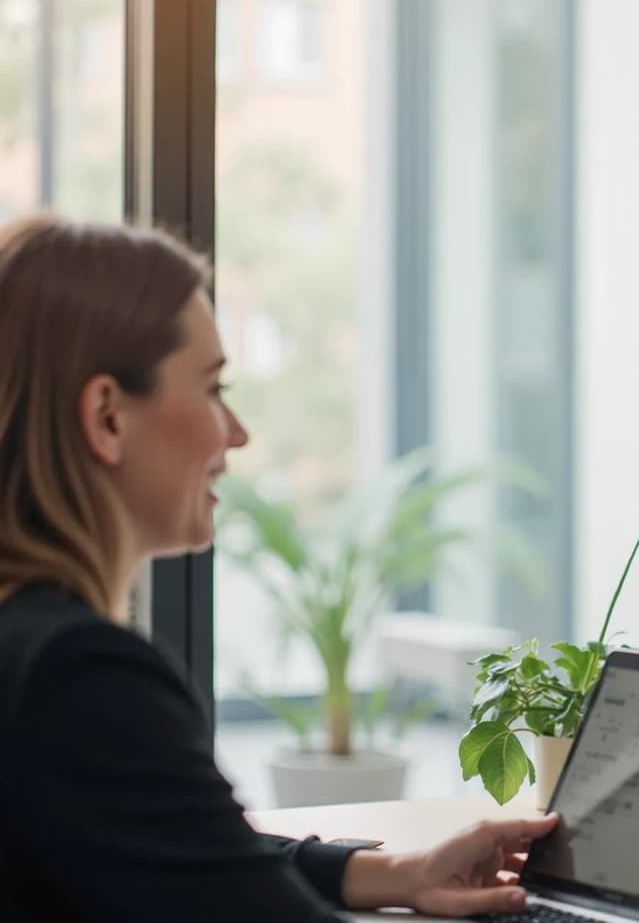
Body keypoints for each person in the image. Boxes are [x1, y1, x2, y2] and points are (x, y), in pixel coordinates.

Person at [0, 214, 560, 921]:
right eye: (212, 388)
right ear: (107, 415)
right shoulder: (75, 675)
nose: (236, 432)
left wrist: (394, 871)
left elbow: (184, 850)